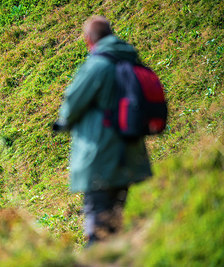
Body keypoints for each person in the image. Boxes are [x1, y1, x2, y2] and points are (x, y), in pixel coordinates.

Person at [53, 16, 152, 247]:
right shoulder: (130, 59)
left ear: (89, 40)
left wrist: (64, 121)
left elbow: (72, 102)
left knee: (97, 230)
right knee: (114, 221)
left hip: (100, 157)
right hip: (128, 155)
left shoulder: (97, 65)